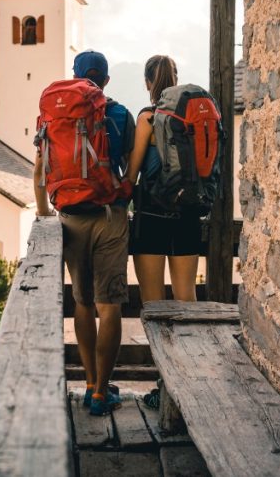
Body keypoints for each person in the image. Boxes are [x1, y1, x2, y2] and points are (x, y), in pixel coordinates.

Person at [33, 50, 134, 416]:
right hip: (108, 216)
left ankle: (89, 382)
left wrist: (46, 213)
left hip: (70, 218)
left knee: (82, 302)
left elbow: (39, 171)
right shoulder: (119, 114)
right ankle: (102, 392)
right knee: (110, 306)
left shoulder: (55, 112)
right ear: (105, 80)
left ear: (75, 76)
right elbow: (130, 167)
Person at [127, 55, 201, 407]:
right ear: (176, 79)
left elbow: (132, 175)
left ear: (147, 82)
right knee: (187, 299)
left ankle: (163, 386)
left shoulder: (147, 118)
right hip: (188, 216)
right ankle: (190, 382)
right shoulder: (192, 117)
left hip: (151, 216)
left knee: (154, 306)